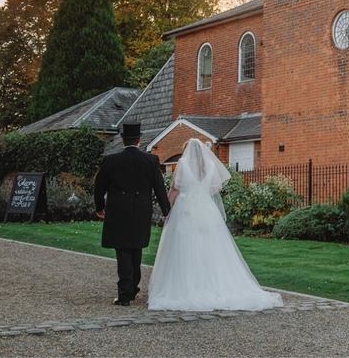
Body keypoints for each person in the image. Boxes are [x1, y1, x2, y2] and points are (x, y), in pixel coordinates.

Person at [147, 138, 283, 312]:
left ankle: (187, 286)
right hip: (206, 209)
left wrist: (166, 210)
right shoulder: (210, 166)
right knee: (211, 247)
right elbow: (217, 187)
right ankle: (212, 284)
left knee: (185, 247)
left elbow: (175, 188)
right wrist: (201, 192)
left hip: (186, 208)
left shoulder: (183, 163)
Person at [93, 122, 170, 306]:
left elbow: (99, 187)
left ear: (122, 139)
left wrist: (99, 206)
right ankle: (133, 287)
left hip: (118, 210)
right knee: (136, 248)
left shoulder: (110, 160)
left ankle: (125, 293)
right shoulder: (151, 160)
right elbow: (160, 188)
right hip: (141, 210)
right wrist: (167, 211)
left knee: (123, 251)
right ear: (139, 139)